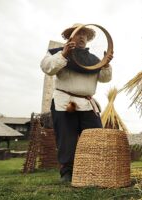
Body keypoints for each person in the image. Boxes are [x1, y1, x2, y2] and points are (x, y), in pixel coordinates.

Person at [40, 23, 113, 182]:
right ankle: (67, 173)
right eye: (78, 33)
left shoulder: (93, 59)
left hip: (87, 103)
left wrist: (106, 64)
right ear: (69, 37)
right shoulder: (56, 53)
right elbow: (47, 68)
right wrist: (63, 55)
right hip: (68, 102)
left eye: (85, 34)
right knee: (68, 137)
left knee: (95, 137)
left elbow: (105, 78)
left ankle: (94, 171)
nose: (82, 37)